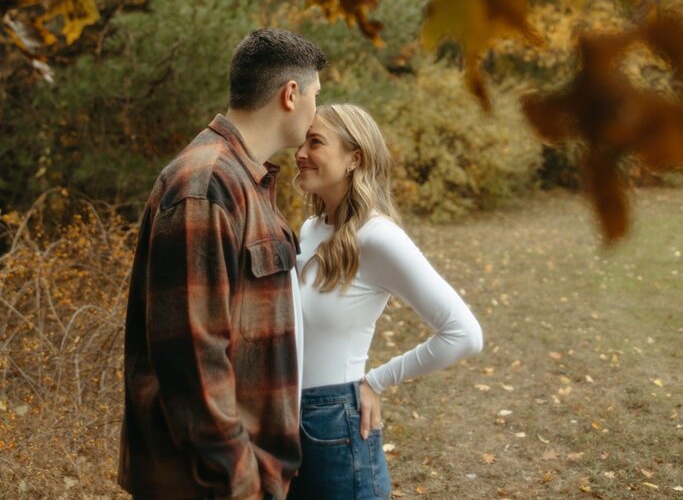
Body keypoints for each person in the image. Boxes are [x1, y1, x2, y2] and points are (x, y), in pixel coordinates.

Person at [118, 28, 327, 500]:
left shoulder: (246, 180)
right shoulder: (206, 185)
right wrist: (241, 481)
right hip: (208, 484)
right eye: (316, 95)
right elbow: (193, 360)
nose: (318, 110)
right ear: (290, 95)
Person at [289, 103, 483, 500]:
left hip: (335, 426)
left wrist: (378, 380)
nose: (300, 153)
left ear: (353, 158)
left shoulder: (378, 237)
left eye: (316, 142)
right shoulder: (310, 229)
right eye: (301, 141)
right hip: (285, 421)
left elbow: (464, 334)